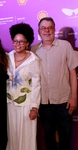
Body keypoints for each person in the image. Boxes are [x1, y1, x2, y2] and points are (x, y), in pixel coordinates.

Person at [31, 17, 78, 150]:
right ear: (39, 31)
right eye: (43, 28)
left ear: (54, 30)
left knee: (66, 136)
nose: (47, 30)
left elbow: (73, 73)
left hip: (65, 101)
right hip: (45, 103)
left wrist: (74, 97)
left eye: (50, 27)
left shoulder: (65, 46)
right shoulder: (34, 50)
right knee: (48, 137)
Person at [6, 23, 41, 150]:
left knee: (27, 138)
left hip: (26, 105)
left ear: (27, 43)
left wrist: (34, 108)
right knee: (12, 136)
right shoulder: (7, 57)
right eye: (15, 41)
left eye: (21, 41)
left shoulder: (33, 60)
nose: (18, 44)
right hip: (9, 104)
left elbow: (36, 85)